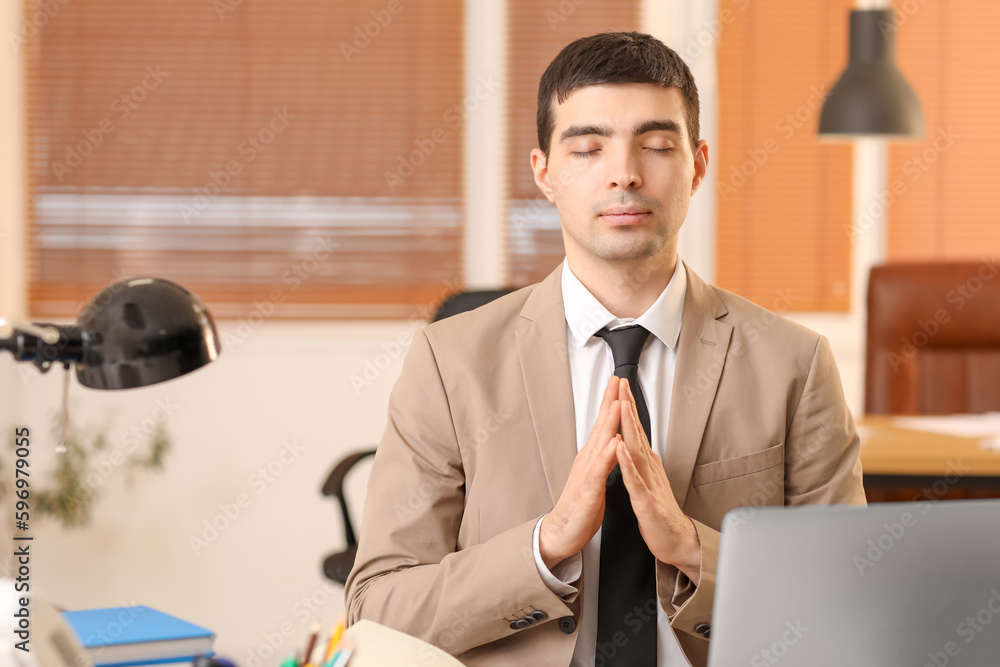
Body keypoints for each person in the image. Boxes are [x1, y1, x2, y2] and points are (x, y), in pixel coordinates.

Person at [345, 31, 865, 667]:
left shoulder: (793, 363)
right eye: (588, 148)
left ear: (698, 165)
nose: (624, 172)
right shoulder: (448, 362)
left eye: (656, 145)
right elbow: (379, 607)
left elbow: (845, 604)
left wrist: (690, 549)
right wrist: (546, 544)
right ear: (545, 173)